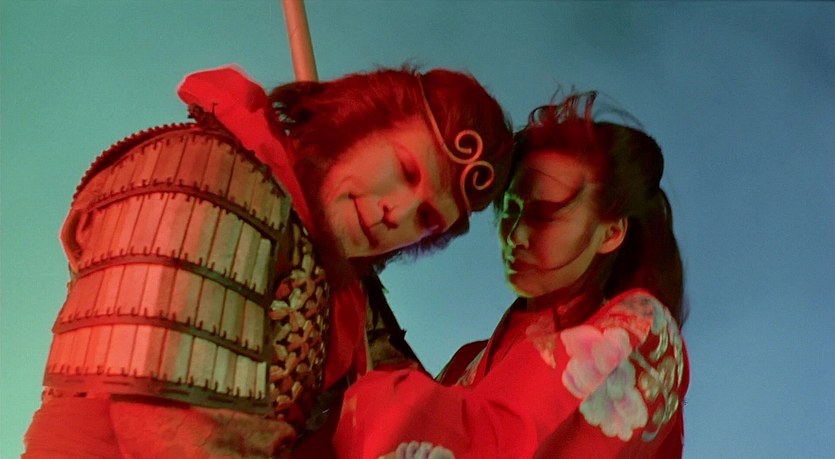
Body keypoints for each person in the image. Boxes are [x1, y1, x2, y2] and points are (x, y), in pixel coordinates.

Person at [23, 64, 513, 458]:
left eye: (426, 218)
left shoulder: (343, 309)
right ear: (364, 119)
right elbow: (168, 424)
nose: (397, 213)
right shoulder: (214, 176)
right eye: (406, 170)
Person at [331, 92, 689, 458]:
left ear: (611, 233)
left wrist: (370, 402)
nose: (516, 235)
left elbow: (489, 441)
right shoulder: (466, 362)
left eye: (543, 216)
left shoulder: (644, 335)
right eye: (510, 210)